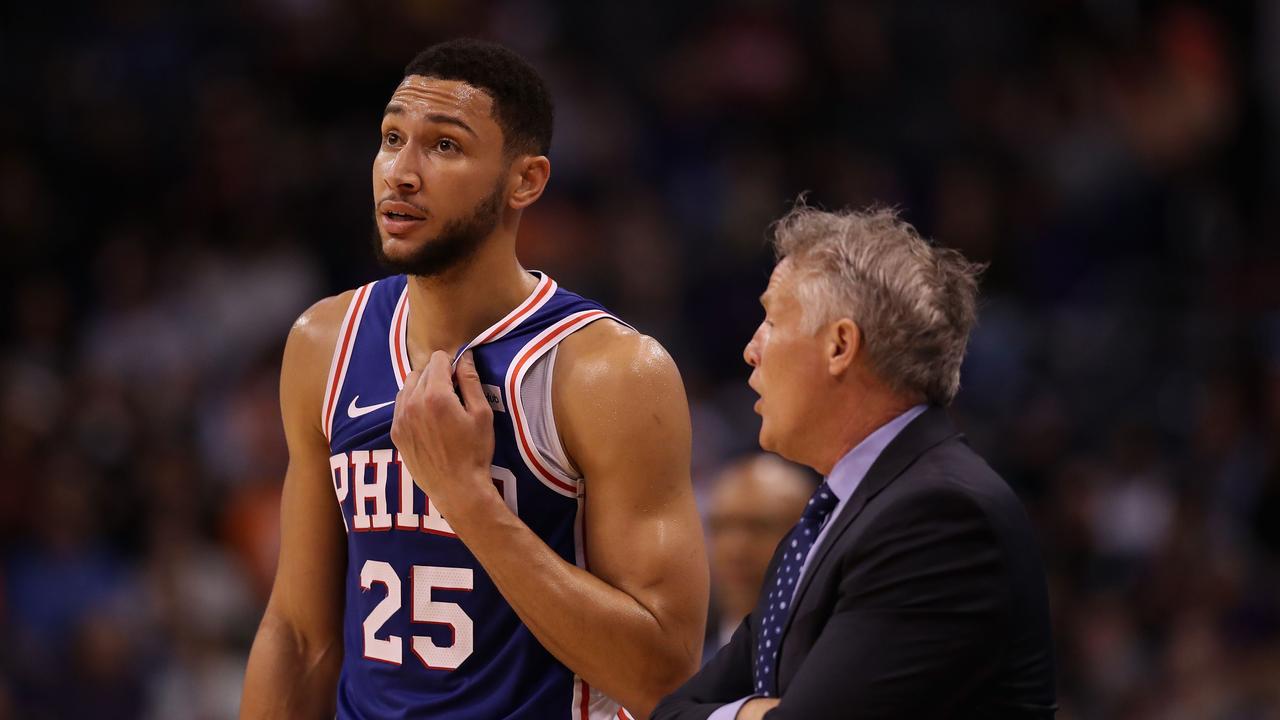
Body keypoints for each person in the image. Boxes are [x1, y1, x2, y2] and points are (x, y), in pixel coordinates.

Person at [240, 39, 708, 720]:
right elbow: (299, 633)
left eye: (444, 146)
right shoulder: (325, 343)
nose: (400, 172)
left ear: (526, 181)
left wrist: (471, 503)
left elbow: (661, 676)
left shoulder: (609, 374)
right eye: (392, 137)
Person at [653, 206, 1056, 719]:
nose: (751, 349)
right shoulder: (830, 519)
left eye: (772, 320)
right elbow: (669, 713)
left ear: (840, 345)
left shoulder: (940, 517)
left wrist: (749, 711)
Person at [704, 455, 812, 657]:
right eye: (720, 527)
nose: (735, 550)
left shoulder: (825, 657)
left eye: (759, 527)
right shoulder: (685, 664)